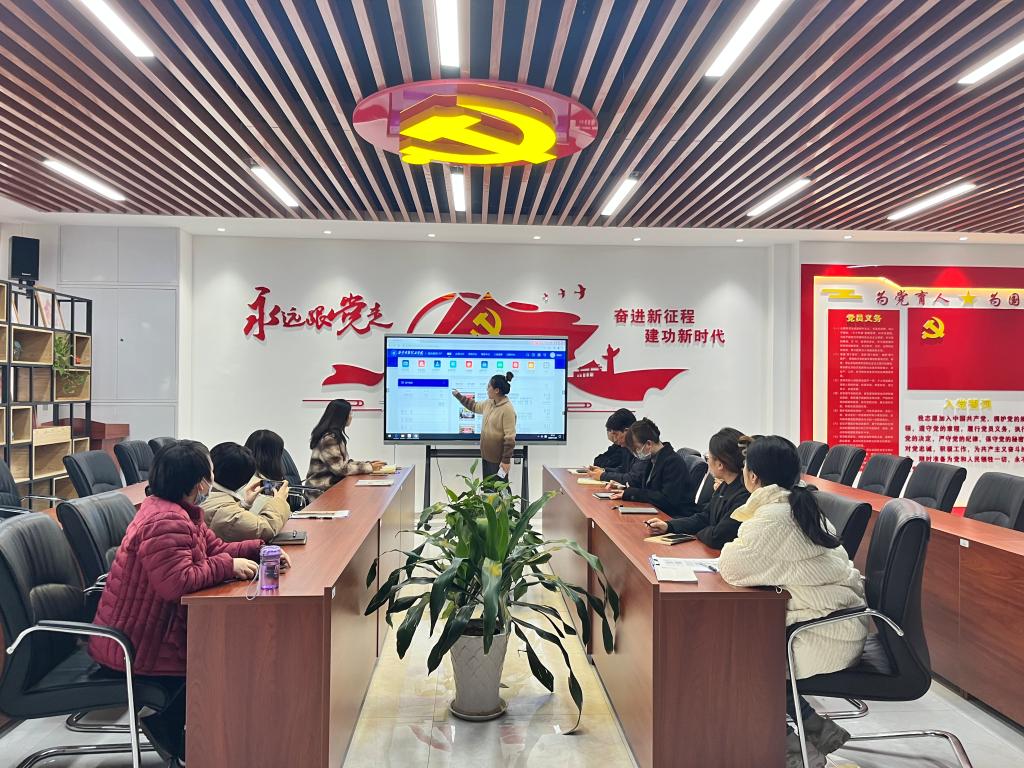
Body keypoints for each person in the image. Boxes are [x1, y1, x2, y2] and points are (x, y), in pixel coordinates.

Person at [88, 440, 275, 764]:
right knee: (222, 656)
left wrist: (259, 550)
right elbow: (177, 583)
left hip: (149, 633)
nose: (213, 481)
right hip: (136, 647)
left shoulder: (179, 513)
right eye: (210, 474)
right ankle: (178, 733)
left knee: (227, 650)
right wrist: (228, 566)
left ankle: (191, 733)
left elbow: (216, 549)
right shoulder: (165, 521)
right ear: (199, 483)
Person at [717, 435, 867, 768]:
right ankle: (816, 728)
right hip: (837, 624)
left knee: (739, 661)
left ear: (752, 476)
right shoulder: (797, 506)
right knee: (749, 644)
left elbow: (731, 567)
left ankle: (797, 753)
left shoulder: (775, 517)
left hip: (823, 635)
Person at [644, 428, 749, 548]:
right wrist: (669, 526)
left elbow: (716, 537)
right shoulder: (725, 486)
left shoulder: (743, 496)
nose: (707, 461)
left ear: (720, 465)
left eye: (708, 457)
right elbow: (704, 518)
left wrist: (698, 532)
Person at [606, 418, 698, 518]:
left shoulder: (672, 462)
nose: (636, 453)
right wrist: (623, 488)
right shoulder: (652, 459)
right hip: (656, 511)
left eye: (637, 448)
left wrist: (632, 493)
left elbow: (666, 500)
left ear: (649, 444)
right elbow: (647, 489)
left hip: (673, 516)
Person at [202, 442, 291, 542]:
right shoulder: (225, 512)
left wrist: (244, 504)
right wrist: (279, 501)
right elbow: (266, 529)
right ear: (245, 481)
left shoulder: (204, 494)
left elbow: (227, 521)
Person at [306, 399, 386, 492]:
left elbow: (344, 464)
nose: (351, 417)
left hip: (331, 487)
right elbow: (340, 469)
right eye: (350, 413)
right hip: (320, 492)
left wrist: (369, 464)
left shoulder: (334, 436)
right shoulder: (329, 439)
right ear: (342, 416)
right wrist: (369, 467)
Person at [451, 372, 517, 480]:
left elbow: (510, 438)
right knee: (488, 488)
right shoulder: (489, 403)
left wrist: (505, 461)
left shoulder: (507, 409)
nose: (487, 389)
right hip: (486, 457)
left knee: (500, 489)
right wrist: (458, 396)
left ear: (496, 390)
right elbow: (474, 406)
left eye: (489, 386)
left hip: (498, 461)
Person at [585, 408, 646, 487]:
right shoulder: (626, 447)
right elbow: (624, 470)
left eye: (615, 434)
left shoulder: (642, 448)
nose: (615, 439)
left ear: (627, 431)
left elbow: (632, 478)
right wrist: (603, 471)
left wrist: (603, 475)